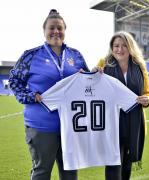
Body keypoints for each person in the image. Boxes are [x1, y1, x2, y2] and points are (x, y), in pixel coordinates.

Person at [9, 9, 89, 180]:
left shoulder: (76, 56)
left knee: (70, 172)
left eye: (60, 28)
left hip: (71, 126)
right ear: (44, 31)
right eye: (51, 28)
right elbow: (15, 82)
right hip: (41, 126)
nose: (56, 32)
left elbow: (88, 85)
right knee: (42, 172)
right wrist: (31, 96)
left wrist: (93, 75)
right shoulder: (30, 56)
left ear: (65, 31)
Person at [96, 31, 149, 180]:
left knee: (126, 164)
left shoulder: (140, 66)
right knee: (113, 165)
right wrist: (94, 73)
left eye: (124, 46)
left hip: (134, 123)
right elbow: (92, 88)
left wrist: (147, 100)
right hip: (111, 123)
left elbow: (147, 92)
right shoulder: (104, 63)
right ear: (111, 47)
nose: (119, 49)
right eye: (116, 46)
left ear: (130, 47)